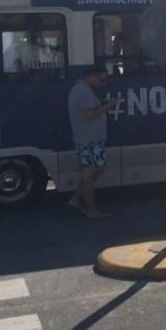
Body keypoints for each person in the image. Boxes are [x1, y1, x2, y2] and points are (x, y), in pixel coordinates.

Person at [67, 64, 119, 218]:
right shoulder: (83, 91)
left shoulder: (83, 89)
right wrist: (109, 105)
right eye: (101, 79)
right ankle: (91, 210)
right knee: (90, 173)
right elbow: (90, 115)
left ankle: (76, 200)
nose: (102, 83)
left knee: (98, 168)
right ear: (92, 76)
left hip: (92, 139)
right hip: (89, 139)